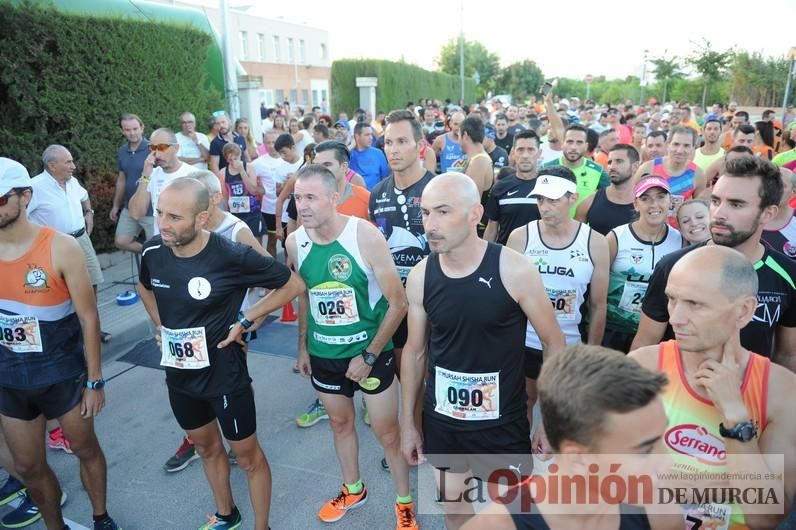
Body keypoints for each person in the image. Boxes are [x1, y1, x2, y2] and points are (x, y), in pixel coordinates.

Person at [399, 172, 565, 529]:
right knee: (455, 512)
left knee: (512, 517)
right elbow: (414, 353)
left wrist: (549, 421)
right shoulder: (420, 275)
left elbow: (554, 342)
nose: (431, 224)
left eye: (443, 212)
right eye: (426, 213)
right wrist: (407, 423)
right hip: (443, 421)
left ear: (475, 214)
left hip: (501, 423)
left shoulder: (515, 269)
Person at [138, 177, 304, 530]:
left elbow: (292, 285)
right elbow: (144, 286)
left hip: (225, 375)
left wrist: (247, 319)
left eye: (174, 217)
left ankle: (262, 526)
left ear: (201, 218)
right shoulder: (153, 251)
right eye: (160, 214)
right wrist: (160, 326)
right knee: (206, 449)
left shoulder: (231, 254)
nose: (163, 225)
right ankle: (227, 514)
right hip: (179, 376)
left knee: (247, 458)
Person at [286, 164, 418, 529]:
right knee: (340, 423)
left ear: (333, 197)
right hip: (324, 354)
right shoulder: (295, 241)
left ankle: (403, 502)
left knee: (386, 432)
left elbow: (399, 303)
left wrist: (370, 354)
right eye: (298, 197)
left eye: (311, 197)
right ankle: (353, 489)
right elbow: (304, 299)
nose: (303, 205)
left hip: (370, 355)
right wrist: (302, 349)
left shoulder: (366, 236)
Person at [629, 245, 796, 528]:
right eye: (672, 300)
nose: (675, 318)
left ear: (744, 311)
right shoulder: (642, 367)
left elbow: (767, 517)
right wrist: (739, 485)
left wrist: (735, 416)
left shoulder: (781, 390)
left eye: (695, 304)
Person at [0, 157, 122, 530]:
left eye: (0, 199)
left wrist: (95, 380)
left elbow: (89, 316)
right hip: (11, 380)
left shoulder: (61, 247)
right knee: (27, 467)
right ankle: (57, 526)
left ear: (25, 196)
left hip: (63, 374)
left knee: (85, 450)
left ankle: (100, 517)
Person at [462, 345, 679, 530]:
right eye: (644, 450)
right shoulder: (496, 525)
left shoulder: (661, 514)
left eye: (663, 437)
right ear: (578, 458)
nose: (667, 462)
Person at [631, 156, 796, 371]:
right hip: (675, 397)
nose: (719, 214)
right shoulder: (673, 266)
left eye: (736, 204)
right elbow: (645, 342)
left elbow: (787, 354)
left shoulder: (787, 274)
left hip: (750, 399)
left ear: (768, 213)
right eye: (716, 201)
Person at [162, 170, 271, 473]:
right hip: (189, 334)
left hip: (229, 331)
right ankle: (197, 439)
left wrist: (252, 318)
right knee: (190, 389)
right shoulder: (182, 233)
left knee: (232, 384)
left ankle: (239, 440)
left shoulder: (236, 231)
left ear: (212, 199)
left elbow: (273, 277)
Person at [507, 166, 608, 436]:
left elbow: (598, 306)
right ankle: (522, 463)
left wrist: (591, 354)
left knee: (562, 413)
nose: (545, 207)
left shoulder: (595, 242)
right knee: (523, 404)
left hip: (569, 345)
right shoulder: (520, 237)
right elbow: (505, 300)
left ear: (572, 198)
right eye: (541, 199)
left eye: (553, 199)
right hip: (526, 341)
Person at [292, 141, 374, 429]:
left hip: (363, 321)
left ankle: (368, 398)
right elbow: (302, 287)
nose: (318, 167)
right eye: (316, 162)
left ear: (343, 168)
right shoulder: (305, 205)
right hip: (324, 333)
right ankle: (323, 400)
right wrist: (302, 346)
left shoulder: (364, 198)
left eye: (326, 164)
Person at [28, 145, 111, 345]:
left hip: (81, 240)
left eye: (72, 161)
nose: (73, 166)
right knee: (60, 291)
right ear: (52, 165)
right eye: (68, 162)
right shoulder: (34, 187)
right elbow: (21, 217)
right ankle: (70, 332)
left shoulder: (72, 182)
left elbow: (84, 197)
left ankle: (91, 328)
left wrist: (89, 213)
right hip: (54, 245)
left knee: (91, 284)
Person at [603, 176, 683, 353]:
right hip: (615, 329)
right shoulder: (617, 237)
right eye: (645, 199)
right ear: (636, 204)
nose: (654, 205)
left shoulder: (680, 240)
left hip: (659, 331)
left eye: (661, 197)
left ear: (671, 202)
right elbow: (596, 288)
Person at [635, 126, 707, 227]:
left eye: (686, 146)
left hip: (678, 234)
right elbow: (633, 199)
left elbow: (699, 210)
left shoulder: (698, 174)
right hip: (648, 229)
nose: (680, 150)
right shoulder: (648, 168)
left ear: (693, 148)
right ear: (668, 145)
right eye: (676, 144)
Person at [128, 128, 196, 234]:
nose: (157, 154)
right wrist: (145, 176)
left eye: (162, 147)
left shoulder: (193, 175)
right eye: (152, 148)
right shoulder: (151, 175)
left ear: (176, 148)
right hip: (162, 241)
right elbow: (136, 213)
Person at [483, 130, 542, 245]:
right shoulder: (500, 187)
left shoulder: (548, 187)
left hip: (541, 258)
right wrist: (485, 258)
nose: (525, 155)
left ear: (539, 153)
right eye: (520, 150)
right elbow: (491, 227)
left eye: (530, 150)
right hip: (507, 255)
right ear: (513, 153)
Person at [542, 124, 610, 214]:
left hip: (585, 227)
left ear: (586, 146)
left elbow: (612, 196)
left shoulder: (598, 170)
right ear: (562, 144)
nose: (573, 147)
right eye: (570, 142)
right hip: (553, 227)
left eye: (579, 142)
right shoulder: (546, 169)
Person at [112, 113, 155, 254]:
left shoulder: (153, 149)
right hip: (129, 207)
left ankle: (154, 257)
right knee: (120, 241)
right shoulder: (122, 151)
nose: (132, 133)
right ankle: (149, 253)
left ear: (142, 128)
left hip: (151, 210)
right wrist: (116, 205)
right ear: (122, 131)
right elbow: (122, 179)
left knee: (158, 246)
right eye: (128, 130)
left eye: (135, 128)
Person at [575, 144, 639, 235]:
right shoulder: (589, 202)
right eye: (609, 162)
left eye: (619, 161)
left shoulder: (645, 202)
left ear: (635, 166)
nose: (612, 167)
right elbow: (576, 238)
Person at [220, 143, 264, 238]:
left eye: (235, 158)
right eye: (230, 160)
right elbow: (224, 195)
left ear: (240, 155)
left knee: (256, 243)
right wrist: (228, 214)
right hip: (236, 214)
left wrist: (242, 171)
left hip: (252, 211)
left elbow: (253, 190)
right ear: (226, 159)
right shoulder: (223, 172)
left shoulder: (249, 167)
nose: (233, 162)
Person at [762, 167, 796, 258]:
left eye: (781, 185)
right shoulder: (748, 220)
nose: (773, 189)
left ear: (793, 192)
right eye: (769, 183)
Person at [348, 122, 390, 190]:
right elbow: (339, 160)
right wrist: (351, 147)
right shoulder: (349, 154)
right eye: (367, 135)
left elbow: (385, 178)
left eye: (371, 134)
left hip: (375, 195)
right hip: (355, 195)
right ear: (357, 136)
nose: (371, 138)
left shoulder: (378, 153)